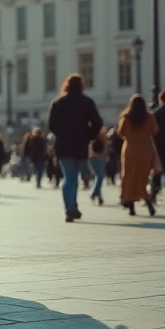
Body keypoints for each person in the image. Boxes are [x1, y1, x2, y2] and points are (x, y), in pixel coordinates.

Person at [47, 74, 103, 223]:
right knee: (74, 176)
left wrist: (62, 133)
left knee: (69, 176)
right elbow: (97, 122)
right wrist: (88, 135)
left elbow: (51, 125)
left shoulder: (58, 102)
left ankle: (70, 207)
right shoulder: (87, 102)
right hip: (80, 144)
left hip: (63, 145)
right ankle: (72, 208)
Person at [117, 95, 158, 216]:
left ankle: (131, 207)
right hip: (145, 150)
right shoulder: (149, 117)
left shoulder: (126, 117)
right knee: (142, 178)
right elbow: (155, 131)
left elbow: (121, 132)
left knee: (129, 177)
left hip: (130, 150)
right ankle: (148, 201)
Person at [88, 127, 108, 205]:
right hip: (95, 157)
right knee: (100, 176)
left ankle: (98, 195)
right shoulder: (97, 134)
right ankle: (94, 193)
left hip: (94, 157)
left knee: (98, 176)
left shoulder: (93, 133)